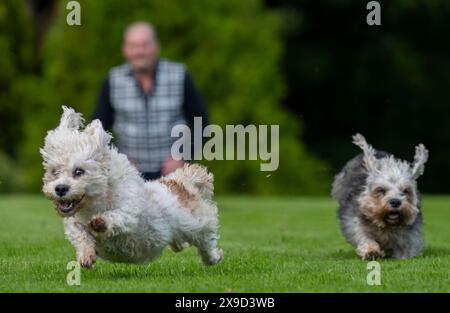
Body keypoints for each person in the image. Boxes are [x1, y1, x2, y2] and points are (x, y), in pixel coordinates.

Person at [92, 21, 209, 180]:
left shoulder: (179, 75)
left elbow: (201, 121)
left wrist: (184, 156)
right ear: (125, 50)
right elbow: (97, 129)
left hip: (173, 174)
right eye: (133, 46)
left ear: (156, 47)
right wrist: (117, 160)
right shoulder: (112, 80)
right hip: (128, 175)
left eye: (145, 45)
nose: (139, 51)